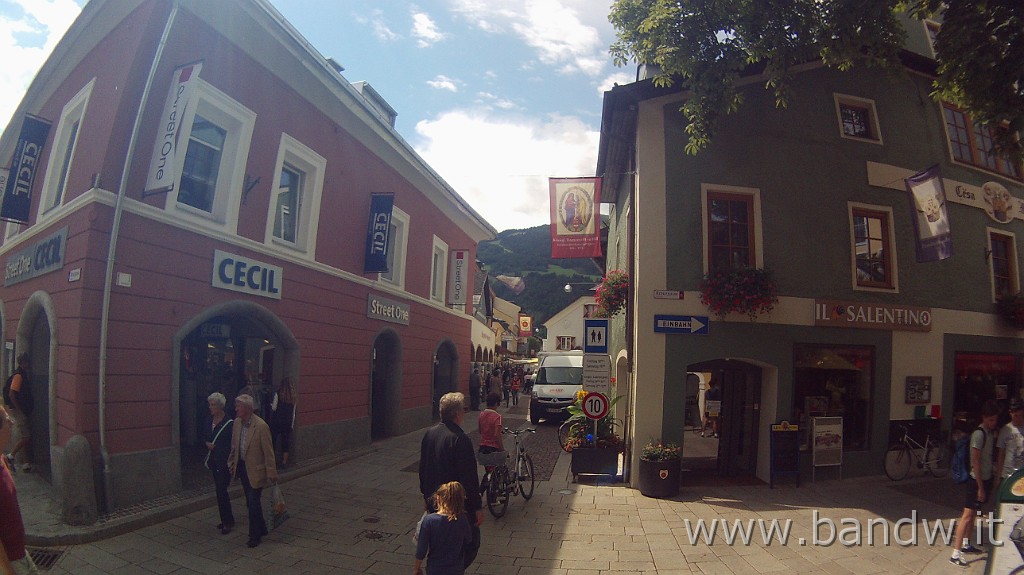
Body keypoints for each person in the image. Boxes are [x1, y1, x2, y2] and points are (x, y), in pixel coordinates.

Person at [418, 392, 482, 569]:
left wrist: (426, 497)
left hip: (434, 502)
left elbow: (423, 469)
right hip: (454, 507)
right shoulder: (460, 439)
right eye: (463, 410)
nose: (464, 413)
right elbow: (468, 477)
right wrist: (476, 507)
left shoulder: (429, 434)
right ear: (456, 414)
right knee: (470, 543)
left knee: (439, 547)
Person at [950, 400, 999, 567]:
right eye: (990, 419)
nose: (993, 423)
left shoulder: (991, 433)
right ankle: (955, 553)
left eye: (995, 419)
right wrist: (979, 487)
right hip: (975, 480)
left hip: (985, 478)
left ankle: (966, 543)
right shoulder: (979, 434)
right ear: (984, 418)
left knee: (973, 514)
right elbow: (975, 462)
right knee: (967, 515)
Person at [228, 394, 277, 548]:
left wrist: (272, 472)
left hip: (256, 470)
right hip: (242, 467)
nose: (236, 409)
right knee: (250, 502)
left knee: (253, 501)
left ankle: (254, 536)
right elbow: (234, 446)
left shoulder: (261, 426)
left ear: (248, 409)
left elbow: (268, 451)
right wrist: (231, 462)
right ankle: (261, 528)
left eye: (239, 407)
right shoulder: (237, 423)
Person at [0, 404, 37, 574]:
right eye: (8, 421)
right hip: (10, 562)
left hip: (21, 553)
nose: (12, 424)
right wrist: (8, 570)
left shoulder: (2, 459)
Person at [413, 481, 472, 575]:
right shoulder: (462, 519)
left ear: (438, 498)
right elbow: (468, 539)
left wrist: (416, 568)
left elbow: (421, 550)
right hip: (456, 568)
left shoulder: (429, 520)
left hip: (435, 568)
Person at [205, 392, 234, 535]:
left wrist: (219, 448)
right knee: (219, 490)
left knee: (221, 490)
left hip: (224, 462)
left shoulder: (229, 422)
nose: (210, 407)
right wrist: (206, 443)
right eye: (210, 404)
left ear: (220, 406)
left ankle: (227, 522)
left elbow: (232, 444)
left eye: (213, 404)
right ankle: (226, 519)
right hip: (214, 461)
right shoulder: (208, 420)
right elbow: (205, 436)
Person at [3, 353, 32, 472]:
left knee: (23, 435)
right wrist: (19, 409)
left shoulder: (22, 374)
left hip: (20, 410)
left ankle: (26, 463)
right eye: (28, 362)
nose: (29, 364)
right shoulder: (19, 376)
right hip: (19, 411)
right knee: (27, 437)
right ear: (24, 363)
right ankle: (10, 456)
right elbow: (12, 394)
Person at [477, 392, 504, 495]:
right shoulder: (497, 417)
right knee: (497, 471)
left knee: (489, 471)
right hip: (493, 448)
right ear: (496, 404)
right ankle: (492, 495)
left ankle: (481, 492)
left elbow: (480, 431)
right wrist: (502, 449)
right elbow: (497, 435)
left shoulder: (481, 415)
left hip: (483, 448)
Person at [997, 398, 1024, 491]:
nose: (1015, 416)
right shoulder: (1005, 430)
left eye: (1018, 413)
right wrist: (998, 476)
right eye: (1013, 413)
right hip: (1007, 474)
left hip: (1022, 474)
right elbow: (1001, 454)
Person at [270, 378, 296, 468]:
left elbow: (274, 407)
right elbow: (293, 413)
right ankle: (284, 462)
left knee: (273, 441)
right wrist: (291, 425)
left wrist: (270, 405)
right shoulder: (293, 397)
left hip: (277, 421)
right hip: (287, 422)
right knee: (285, 443)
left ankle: (272, 461)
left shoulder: (278, 393)